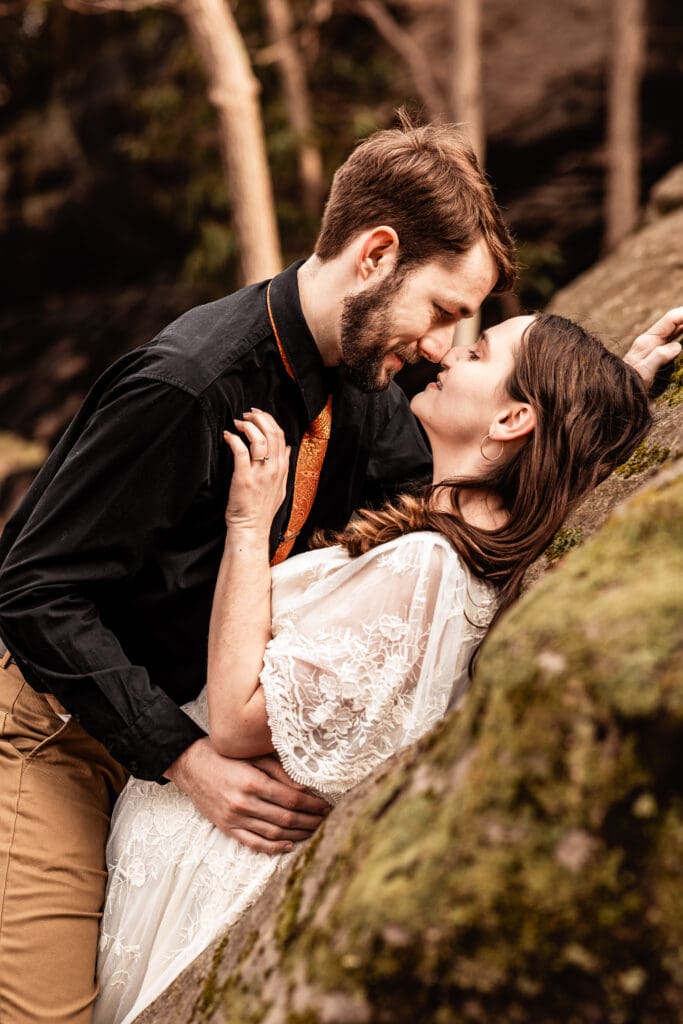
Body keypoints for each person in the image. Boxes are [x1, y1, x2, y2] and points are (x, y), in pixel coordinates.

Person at [0, 105, 678, 1022]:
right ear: (373, 255)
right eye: (441, 312)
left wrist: (597, 405)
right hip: (60, 733)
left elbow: (466, 501)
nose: (440, 346)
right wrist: (185, 758)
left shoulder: (364, 386)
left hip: (179, 732)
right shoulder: (189, 384)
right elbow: (33, 587)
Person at [93, 311, 654, 1023]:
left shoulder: (426, 568)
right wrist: (617, 389)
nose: (448, 353)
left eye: (477, 353)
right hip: (199, 845)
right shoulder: (462, 551)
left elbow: (238, 721)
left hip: (204, 858)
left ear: (513, 417)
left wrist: (247, 524)